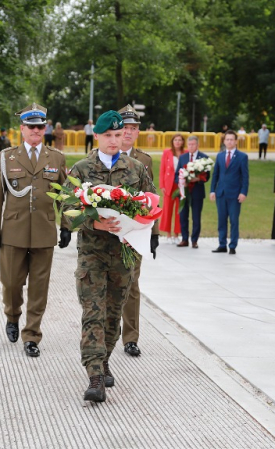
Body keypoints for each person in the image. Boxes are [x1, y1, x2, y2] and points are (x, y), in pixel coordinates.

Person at [63, 110, 157, 403]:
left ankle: (104, 360)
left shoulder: (137, 168)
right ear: (97, 136)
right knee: (93, 311)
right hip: (92, 254)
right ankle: (94, 375)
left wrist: (145, 230)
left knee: (113, 314)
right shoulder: (80, 169)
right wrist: (95, 222)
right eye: (109, 135)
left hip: (123, 254)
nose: (115, 140)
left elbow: (151, 206)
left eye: (119, 135)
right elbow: (66, 211)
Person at [0, 103, 69, 358]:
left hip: (44, 231)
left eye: (40, 126)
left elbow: (65, 196)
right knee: (11, 283)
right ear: (22, 129)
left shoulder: (56, 158)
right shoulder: (7, 156)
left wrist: (66, 226)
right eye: (31, 126)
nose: (36, 130)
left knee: (39, 287)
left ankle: (32, 335)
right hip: (13, 230)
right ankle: (12, 317)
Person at [116, 104, 156, 358]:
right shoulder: (101, 155)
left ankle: (130, 337)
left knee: (131, 283)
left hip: (135, 233)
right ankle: (108, 331)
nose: (128, 133)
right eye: (125, 128)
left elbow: (151, 198)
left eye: (133, 129)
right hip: (107, 232)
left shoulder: (144, 160)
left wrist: (155, 233)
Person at [210, 131, 249, 254]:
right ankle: (222, 244)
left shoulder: (242, 157)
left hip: (235, 194)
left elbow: (245, 177)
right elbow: (215, 174)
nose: (229, 141)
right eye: (227, 139)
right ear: (224, 141)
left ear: (236, 141)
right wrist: (212, 190)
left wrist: (243, 192)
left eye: (232, 139)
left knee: (233, 220)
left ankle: (232, 245)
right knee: (221, 220)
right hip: (221, 193)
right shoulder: (220, 156)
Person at [176, 135, 208, 249]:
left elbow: (207, 176)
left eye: (193, 144)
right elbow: (177, 174)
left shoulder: (203, 158)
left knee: (196, 217)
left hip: (197, 192)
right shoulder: (183, 157)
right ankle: (184, 239)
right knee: (183, 216)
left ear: (197, 145)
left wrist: (198, 179)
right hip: (184, 192)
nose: (190, 146)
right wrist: (180, 182)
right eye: (189, 144)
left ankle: (194, 240)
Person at [159, 134, 185, 242]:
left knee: (180, 210)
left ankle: (176, 234)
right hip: (169, 185)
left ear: (183, 142)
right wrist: (162, 185)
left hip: (181, 185)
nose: (178, 142)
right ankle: (168, 234)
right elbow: (162, 170)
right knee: (167, 210)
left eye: (180, 140)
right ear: (172, 142)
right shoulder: (167, 152)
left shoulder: (186, 153)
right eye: (176, 140)